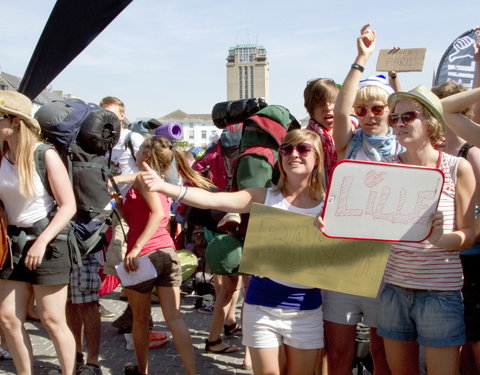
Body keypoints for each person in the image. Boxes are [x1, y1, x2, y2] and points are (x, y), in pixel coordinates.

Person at [140, 128, 326, 375]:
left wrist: (330, 234)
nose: (294, 154)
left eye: (303, 149)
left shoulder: (327, 206)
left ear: (317, 158)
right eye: (287, 149)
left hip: (306, 308)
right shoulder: (264, 196)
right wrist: (166, 187)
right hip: (263, 306)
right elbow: (213, 201)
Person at [375, 84, 477, 375]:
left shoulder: (458, 168)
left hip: (440, 294)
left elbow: (470, 232)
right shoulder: (385, 168)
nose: (399, 124)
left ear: (431, 120)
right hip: (393, 290)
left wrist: (444, 239)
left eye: (408, 116)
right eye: (394, 119)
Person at [325, 24, 401, 375]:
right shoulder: (350, 142)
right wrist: (361, 59)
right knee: (338, 353)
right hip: (345, 258)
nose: (370, 115)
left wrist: (398, 87)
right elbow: (340, 112)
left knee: (381, 352)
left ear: (389, 110)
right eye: (363, 109)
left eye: (378, 108)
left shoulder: (405, 147)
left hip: (389, 263)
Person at [119, 135, 212, 375]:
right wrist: (119, 204)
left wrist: (138, 247)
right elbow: (139, 218)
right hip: (166, 253)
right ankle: (192, 371)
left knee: (140, 320)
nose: (135, 152)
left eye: (139, 149)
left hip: (144, 256)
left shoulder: (142, 177)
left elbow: (158, 214)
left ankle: (143, 370)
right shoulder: (157, 180)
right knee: (175, 318)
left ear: (147, 157)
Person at [0, 91, 76, 375]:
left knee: (52, 318)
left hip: (48, 241)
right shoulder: (2, 155)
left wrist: (42, 241)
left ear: (15, 121)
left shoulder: (45, 155)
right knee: (8, 318)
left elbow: (68, 206)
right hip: (11, 243)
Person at [433, 81, 480, 374]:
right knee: (468, 341)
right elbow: (444, 108)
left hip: (466, 252)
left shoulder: (470, 153)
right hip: (463, 257)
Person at [303, 78, 339, 183]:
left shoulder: (350, 133)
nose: (328, 108)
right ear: (310, 108)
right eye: (321, 103)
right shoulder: (304, 140)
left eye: (333, 102)